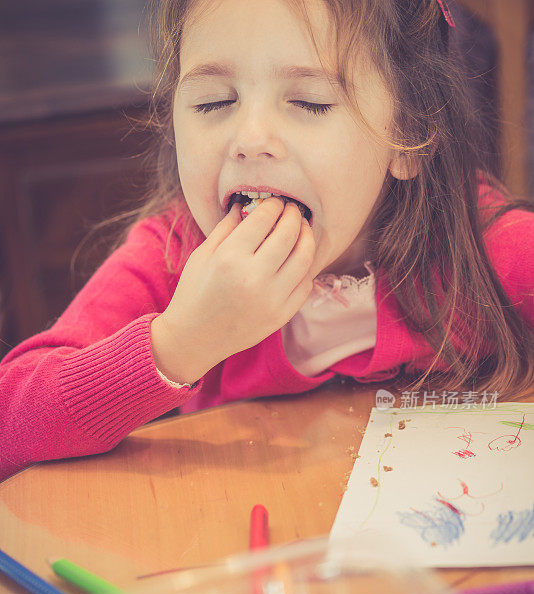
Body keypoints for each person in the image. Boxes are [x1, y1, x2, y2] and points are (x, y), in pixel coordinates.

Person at [1, 0, 533, 482]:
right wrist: (180, 344)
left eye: (309, 102)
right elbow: (9, 422)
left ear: (409, 136)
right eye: (213, 103)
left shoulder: (484, 249)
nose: (251, 139)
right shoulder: (173, 256)